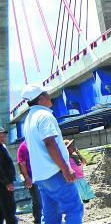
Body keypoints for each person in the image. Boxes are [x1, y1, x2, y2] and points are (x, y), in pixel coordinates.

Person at [20, 84, 84, 224]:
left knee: (51, 217)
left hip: (41, 176)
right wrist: (65, 168)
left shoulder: (29, 119)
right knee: (74, 209)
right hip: (55, 172)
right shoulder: (44, 115)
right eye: (47, 93)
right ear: (41, 98)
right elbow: (50, 142)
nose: (50, 96)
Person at [17, 139, 42, 224]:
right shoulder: (23, 147)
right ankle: (38, 220)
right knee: (37, 201)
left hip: (43, 176)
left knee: (46, 199)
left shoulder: (37, 142)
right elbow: (22, 164)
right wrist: (27, 178)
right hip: (33, 178)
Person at [0, 127, 16, 224]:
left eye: (4, 134)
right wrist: (8, 182)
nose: (3, 136)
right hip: (3, 186)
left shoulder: (2, 147)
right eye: (1, 134)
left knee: (3, 211)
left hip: (3, 184)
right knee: (9, 210)